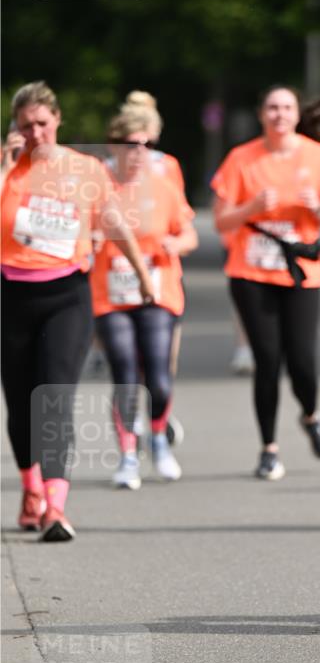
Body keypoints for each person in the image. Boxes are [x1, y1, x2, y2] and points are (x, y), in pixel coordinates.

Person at [1, 82, 154, 540]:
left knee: (55, 399)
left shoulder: (84, 168)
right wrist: (5, 166)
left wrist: (143, 276)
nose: (35, 133)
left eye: (42, 123)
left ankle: (55, 506)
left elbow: (113, 222)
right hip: (11, 296)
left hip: (67, 295)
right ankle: (31, 489)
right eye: (26, 126)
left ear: (57, 120)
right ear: (15, 127)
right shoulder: (8, 169)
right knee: (19, 404)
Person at [211, 85, 320, 480]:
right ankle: (269, 448)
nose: (279, 114)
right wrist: (251, 208)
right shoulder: (241, 159)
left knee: (302, 359)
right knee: (266, 361)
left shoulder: (317, 157)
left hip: (302, 270)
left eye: (286, 107)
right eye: (272, 107)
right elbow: (220, 221)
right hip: (252, 272)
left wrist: (315, 207)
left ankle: (310, 415)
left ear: (297, 114)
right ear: (261, 114)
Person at [91, 107, 198, 489]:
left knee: (158, 375)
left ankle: (158, 441)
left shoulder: (162, 185)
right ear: (113, 147)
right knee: (123, 371)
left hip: (159, 291)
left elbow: (190, 235)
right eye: (131, 145)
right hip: (111, 295)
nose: (139, 152)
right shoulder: (97, 186)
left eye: (147, 145)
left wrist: (175, 243)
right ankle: (127, 456)